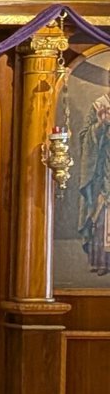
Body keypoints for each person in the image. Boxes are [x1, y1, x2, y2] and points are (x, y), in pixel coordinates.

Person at [78, 91, 110, 276]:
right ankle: (102, 261)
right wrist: (100, 125)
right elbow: (84, 138)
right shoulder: (99, 105)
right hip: (102, 170)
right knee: (100, 215)